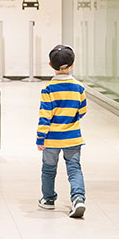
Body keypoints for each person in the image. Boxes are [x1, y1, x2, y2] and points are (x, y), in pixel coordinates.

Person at [37, 44, 87, 219]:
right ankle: (78, 198)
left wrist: (40, 138)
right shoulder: (79, 87)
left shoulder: (48, 89)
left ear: (50, 66)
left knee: (49, 169)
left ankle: (48, 199)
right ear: (72, 64)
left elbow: (45, 115)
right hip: (73, 137)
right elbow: (82, 111)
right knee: (74, 169)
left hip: (51, 139)